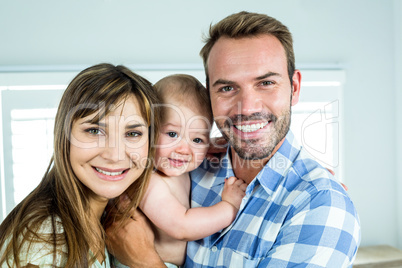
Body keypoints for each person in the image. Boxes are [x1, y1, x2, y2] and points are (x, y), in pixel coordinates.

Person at [106, 11, 361, 267]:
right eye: (227, 88)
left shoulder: (320, 205)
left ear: (294, 88)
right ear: (210, 98)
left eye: (266, 83)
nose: (247, 108)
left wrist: (145, 260)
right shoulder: (188, 163)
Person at [0, 63, 160, 267]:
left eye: (133, 134)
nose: (115, 155)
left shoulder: (109, 221)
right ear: (64, 137)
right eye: (94, 131)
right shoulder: (44, 243)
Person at [113, 74, 247, 268]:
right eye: (172, 134)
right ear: (148, 130)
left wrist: (205, 146)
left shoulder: (178, 165)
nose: (183, 149)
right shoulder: (149, 181)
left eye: (197, 139)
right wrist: (229, 207)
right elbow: (181, 225)